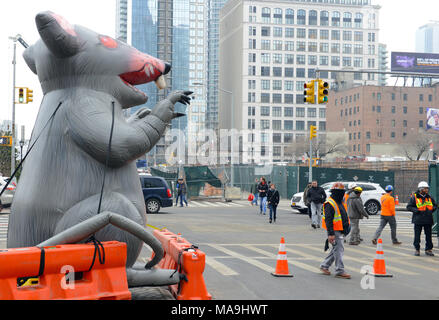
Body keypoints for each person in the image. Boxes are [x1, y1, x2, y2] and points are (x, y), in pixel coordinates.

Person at [320, 182, 351, 279]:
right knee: (339, 250)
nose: (342, 194)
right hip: (335, 231)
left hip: (341, 230)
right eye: (341, 192)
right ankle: (339, 270)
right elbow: (329, 220)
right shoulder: (330, 203)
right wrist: (331, 234)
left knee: (336, 249)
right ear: (336, 192)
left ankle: (324, 266)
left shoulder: (339, 202)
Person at [406, 181, 437, 256]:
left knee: (428, 236)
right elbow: (409, 207)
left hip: (428, 219)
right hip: (418, 220)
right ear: (421, 189)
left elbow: (435, 205)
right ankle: (417, 249)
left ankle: (428, 249)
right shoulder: (414, 197)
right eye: (425, 188)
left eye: (427, 188)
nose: (427, 190)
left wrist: (432, 209)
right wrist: (416, 210)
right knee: (417, 236)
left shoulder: (430, 197)